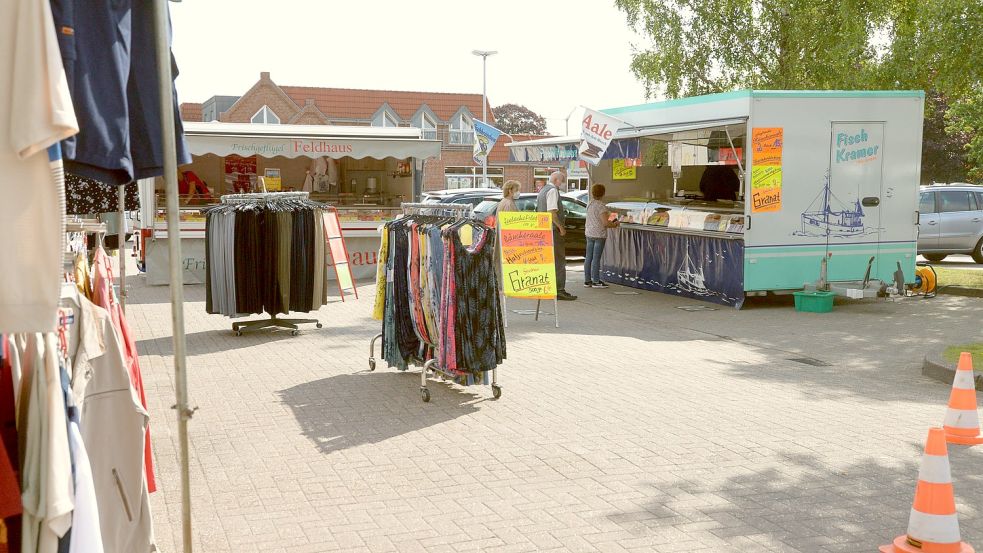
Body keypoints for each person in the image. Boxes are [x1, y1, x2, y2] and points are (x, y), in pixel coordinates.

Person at [537, 171, 576, 300]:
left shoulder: (542, 190)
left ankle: (548, 287)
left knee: (548, 260)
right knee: (559, 260)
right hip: (553, 230)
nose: (563, 183)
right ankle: (559, 289)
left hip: (544, 230)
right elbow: (552, 212)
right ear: (555, 179)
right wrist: (561, 227)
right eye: (562, 180)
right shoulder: (553, 191)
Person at [583, 184, 619, 288]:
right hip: (599, 234)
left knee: (589, 257)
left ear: (592, 192)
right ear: (603, 193)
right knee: (596, 258)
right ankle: (596, 281)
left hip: (589, 233)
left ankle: (587, 280)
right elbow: (605, 223)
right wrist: (615, 224)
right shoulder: (601, 206)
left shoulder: (589, 204)